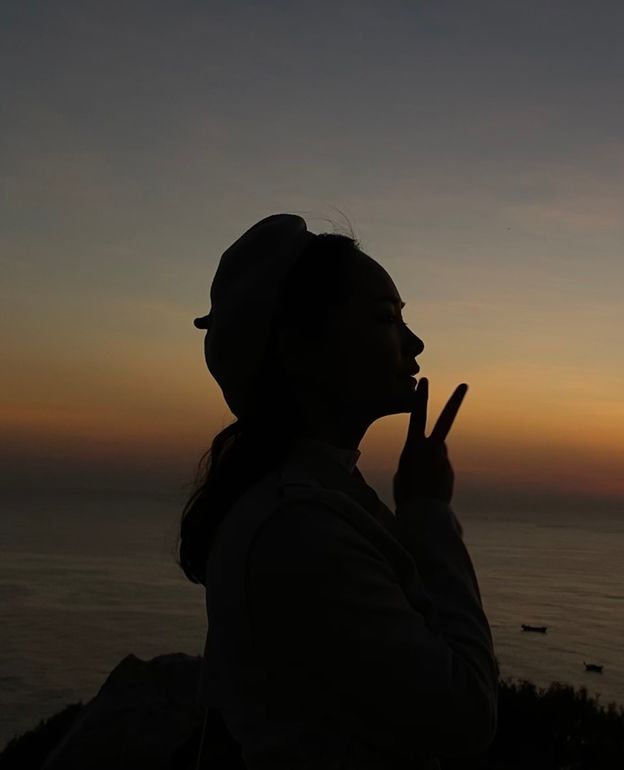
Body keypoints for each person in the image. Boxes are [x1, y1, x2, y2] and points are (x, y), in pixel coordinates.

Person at [180, 213, 499, 769]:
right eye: (385, 318)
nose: (415, 342)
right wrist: (428, 512)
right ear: (300, 349)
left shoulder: (309, 500)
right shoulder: (298, 529)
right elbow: (464, 714)